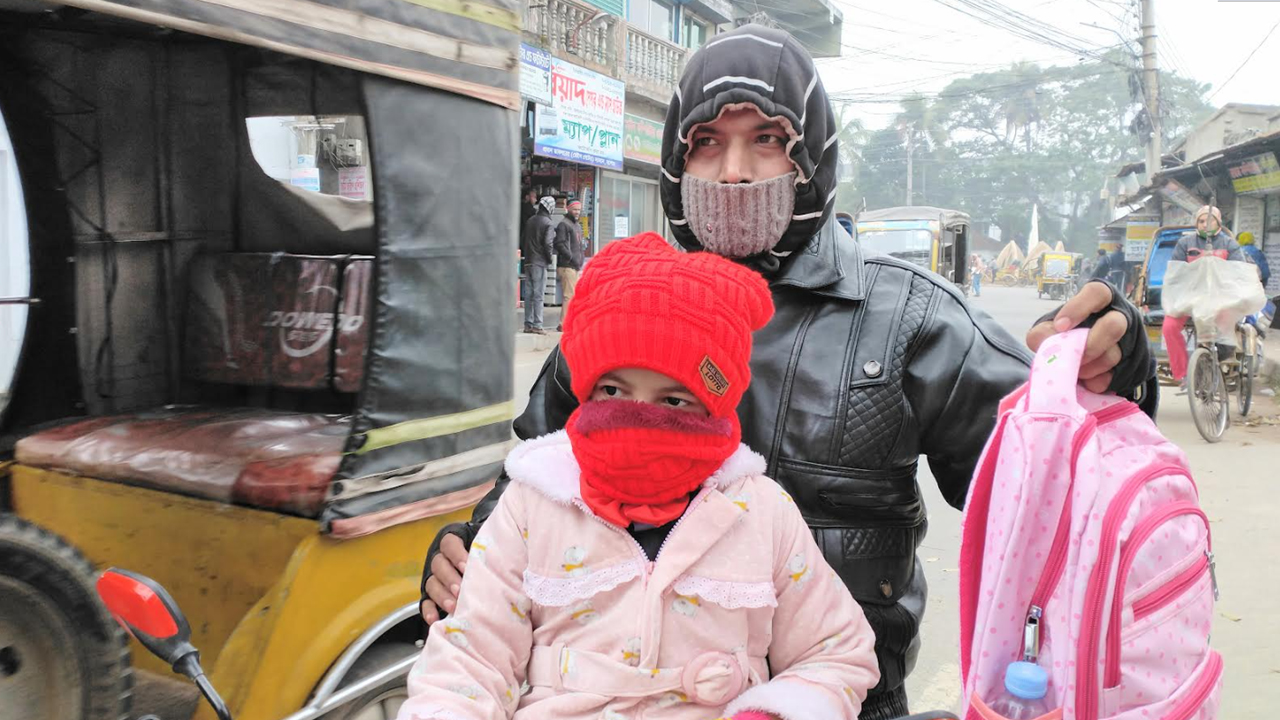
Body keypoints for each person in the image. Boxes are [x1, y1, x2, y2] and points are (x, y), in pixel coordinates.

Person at [422, 25, 1151, 719]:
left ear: (814, 157)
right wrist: (467, 546)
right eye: (706, 143)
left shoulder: (909, 319)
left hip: (849, 701)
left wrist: (1107, 370)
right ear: (678, 165)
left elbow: (1056, 485)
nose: (734, 171)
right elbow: (537, 477)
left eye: (767, 140)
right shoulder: (624, 314)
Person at [399, 234, 881, 720]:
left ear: (714, 405)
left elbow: (835, 651)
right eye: (613, 390)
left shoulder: (760, 512)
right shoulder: (532, 507)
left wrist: (776, 711)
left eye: (674, 401)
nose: (640, 418)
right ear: (585, 391)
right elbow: (467, 664)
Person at [1162, 205, 1249, 384]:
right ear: (1197, 223)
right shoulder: (1185, 244)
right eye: (1201, 221)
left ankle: (1215, 361)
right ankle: (1183, 374)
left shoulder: (1229, 244)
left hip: (1219, 299)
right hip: (1189, 298)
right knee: (1169, 327)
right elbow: (1175, 272)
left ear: (1218, 223)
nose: (1205, 224)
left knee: (1224, 333)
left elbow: (1238, 271)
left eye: (1209, 221)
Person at [521, 196, 557, 335]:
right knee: (539, 294)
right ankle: (538, 324)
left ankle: (528, 324)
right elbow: (548, 244)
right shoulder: (548, 223)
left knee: (529, 293)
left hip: (528, 260)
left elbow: (523, 239)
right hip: (540, 262)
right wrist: (549, 259)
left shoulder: (530, 220)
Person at [554, 199, 587, 332]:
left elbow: (579, 245)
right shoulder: (564, 224)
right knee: (569, 296)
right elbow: (560, 244)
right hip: (567, 266)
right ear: (568, 209)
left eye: (579, 210)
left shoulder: (576, 225)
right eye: (575, 209)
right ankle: (563, 323)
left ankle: (570, 322)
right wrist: (572, 257)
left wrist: (580, 260)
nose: (577, 212)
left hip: (575, 266)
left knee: (573, 296)